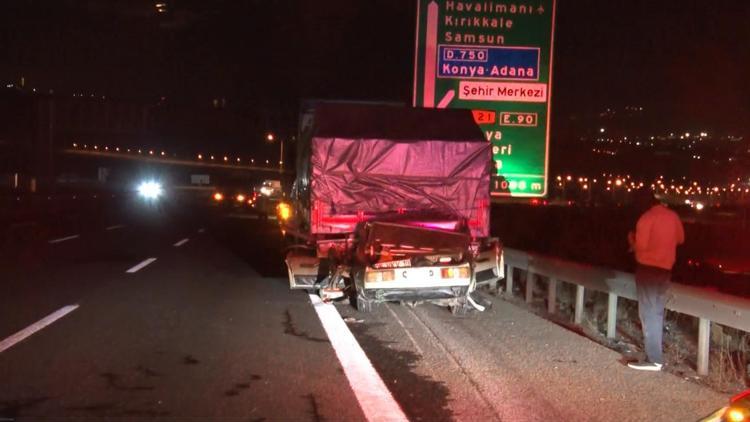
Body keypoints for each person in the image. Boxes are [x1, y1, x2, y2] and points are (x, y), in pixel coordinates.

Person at [626, 189, 685, 371]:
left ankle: (654, 360)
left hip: (648, 270)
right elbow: (681, 239)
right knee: (657, 313)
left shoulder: (645, 219)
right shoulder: (673, 216)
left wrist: (632, 241)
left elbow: (641, 247)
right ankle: (655, 356)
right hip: (665, 271)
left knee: (648, 313)